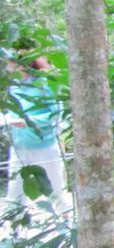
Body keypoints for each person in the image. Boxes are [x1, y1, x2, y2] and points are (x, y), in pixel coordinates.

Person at [3, 56, 72, 214]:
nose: (7, 66)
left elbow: (56, 115)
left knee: (56, 190)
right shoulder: (14, 87)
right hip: (20, 146)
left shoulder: (44, 83)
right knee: (14, 193)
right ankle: (14, 232)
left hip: (44, 146)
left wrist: (28, 122)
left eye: (10, 62)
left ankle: (67, 223)